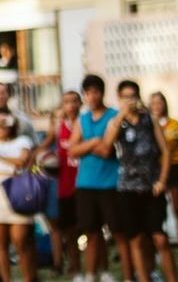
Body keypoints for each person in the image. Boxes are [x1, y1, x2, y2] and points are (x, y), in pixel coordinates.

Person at [102, 80, 177, 282]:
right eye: (125, 97)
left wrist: (162, 180)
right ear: (119, 99)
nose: (130, 100)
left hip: (151, 186)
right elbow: (106, 145)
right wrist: (121, 115)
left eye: (133, 96)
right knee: (136, 238)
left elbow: (166, 152)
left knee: (159, 238)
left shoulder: (149, 120)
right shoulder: (116, 122)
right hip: (127, 188)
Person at [70, 74, 126, 282]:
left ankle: (111, 271)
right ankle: (91, 273)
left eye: (95, 92)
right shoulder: (82, 119)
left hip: (110, 183)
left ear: (102, 93)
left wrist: (90, 146)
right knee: (91, 232)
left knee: (117, 231)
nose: (92, 96)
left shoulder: (114, 115)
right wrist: (94, 141)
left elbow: (106, 150)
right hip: (86, 183)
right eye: (88, 93)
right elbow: (73, 150)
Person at [0, 108, 36, 282]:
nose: (1, 125)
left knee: (20, 241)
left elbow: (22, 162)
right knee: (0, 243)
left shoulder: (22, 140)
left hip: (18, 187)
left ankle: (28, 278)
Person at [39, 90, 82, 279]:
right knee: (63, 227)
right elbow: (44, 146)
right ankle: (63, 263)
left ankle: (81, 265)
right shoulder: (57, 129)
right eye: (66, 102)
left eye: (73, 101)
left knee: (84, 228)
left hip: (81, 180)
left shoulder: (83, 124)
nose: (70, 106)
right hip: (61, 183)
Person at [150, 92, 178, 267]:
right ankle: (160, 247)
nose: (157, 106)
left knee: (177, 208)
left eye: (159, 102)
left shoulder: (175, 125)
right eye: (153, 103)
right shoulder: (148, 125)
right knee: (158, 211)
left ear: (164, 104)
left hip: (174, 169)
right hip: (156, 170)